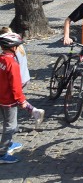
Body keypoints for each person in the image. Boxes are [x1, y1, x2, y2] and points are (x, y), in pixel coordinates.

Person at [0, 32, 45, 165]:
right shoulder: (12, 64)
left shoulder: (1, 59)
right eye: (18, 46)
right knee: (11, 125)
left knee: (6, 122)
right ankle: (2, 153)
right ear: (13, 47)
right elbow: (15, 86)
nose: (19, 49)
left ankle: (9, 143)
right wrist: (22, 101)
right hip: (9, 101)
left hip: (1, 98)